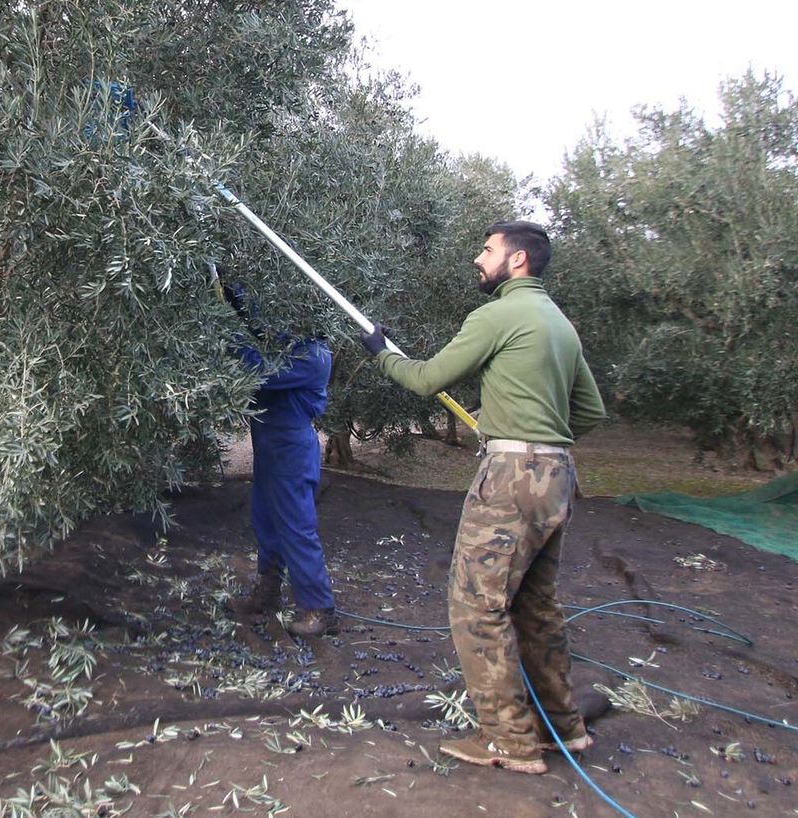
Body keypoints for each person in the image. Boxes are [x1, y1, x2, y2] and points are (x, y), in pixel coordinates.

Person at [360, 221, 606, 774]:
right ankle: (561, 726)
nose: (479, 258)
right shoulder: (559, 324)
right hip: (558, 475)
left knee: (477, 604)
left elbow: (426, 380)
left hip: (512, 477)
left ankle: (508, 740)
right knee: (535, 605)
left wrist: (379, 351)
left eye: (488, 250)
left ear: (517, 260)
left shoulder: (497, 314)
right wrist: (537, 433)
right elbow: (589, 412)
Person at [225, 283, 338, 638]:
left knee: (296, 527)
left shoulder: (314, 357)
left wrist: (226, 335)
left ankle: (319, 609)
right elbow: (261, 327)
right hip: (270, 448)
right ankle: (267, 592)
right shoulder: (292, 343)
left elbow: (257, 367)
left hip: (292, 452)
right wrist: (236, 297)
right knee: (266, 521)